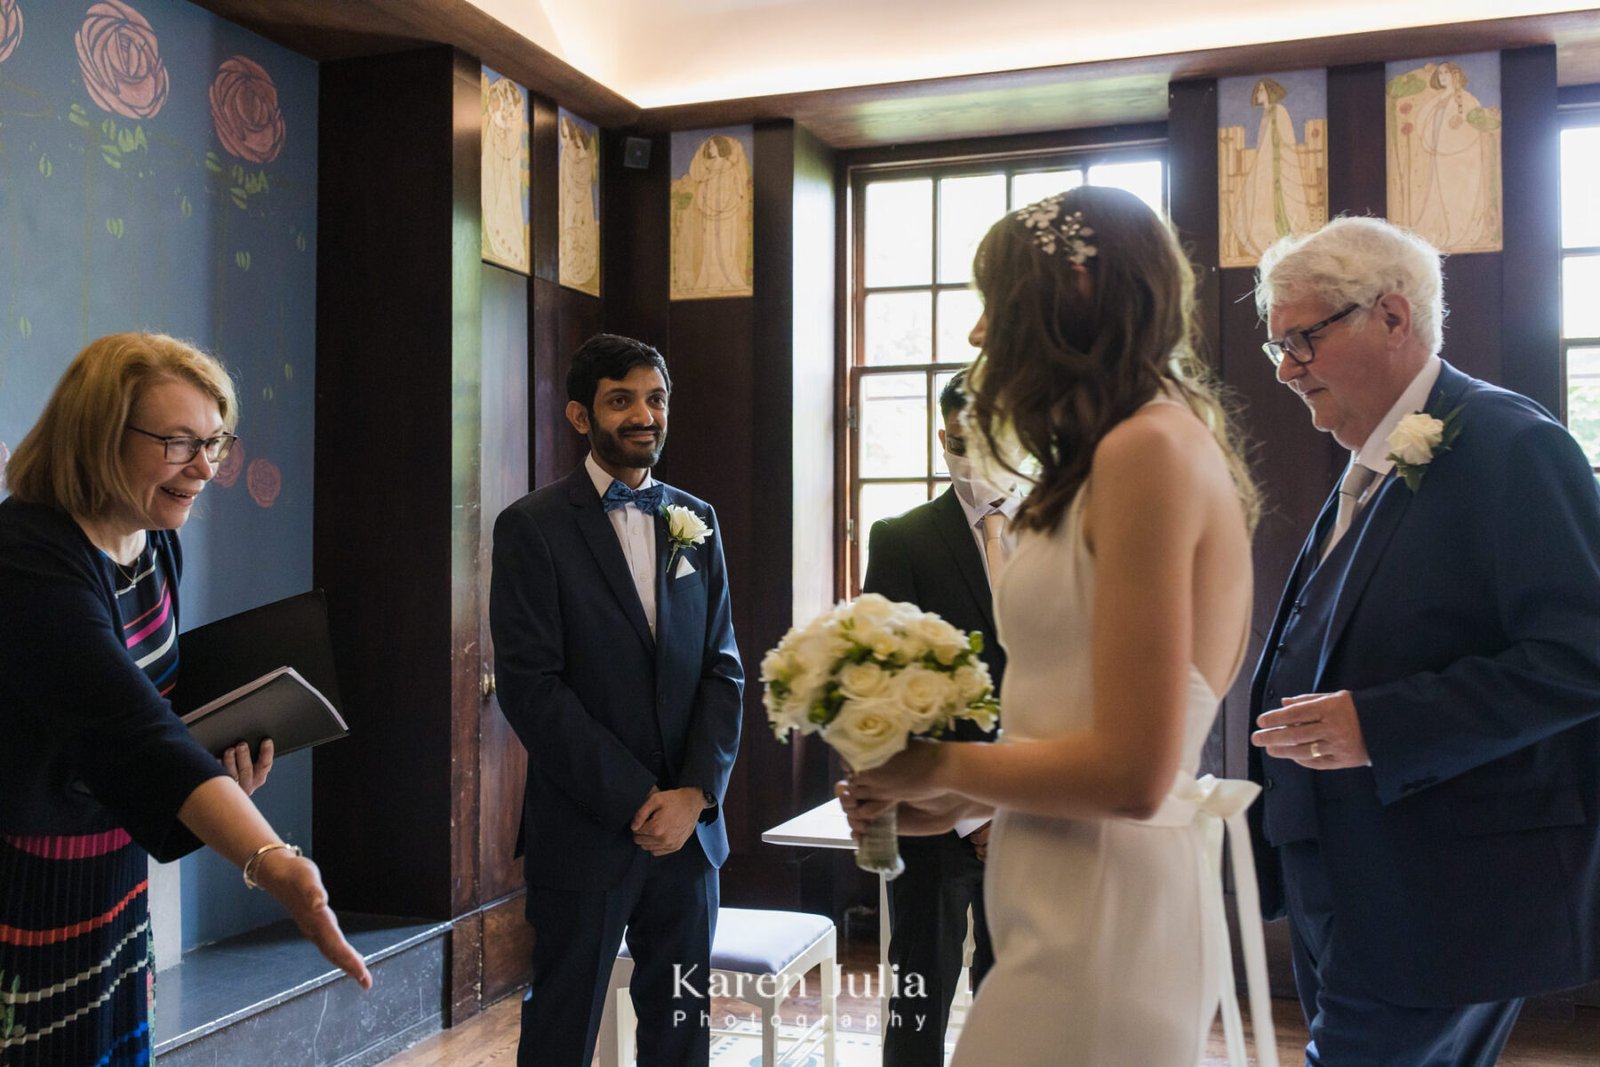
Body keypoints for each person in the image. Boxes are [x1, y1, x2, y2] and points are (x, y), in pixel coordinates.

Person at [843, 185, 1263, 1064]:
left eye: (996, 305)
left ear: (1072, 294)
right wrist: (947, 801)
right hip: (1060, 882)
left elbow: (1133, 771)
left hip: (1106, 900)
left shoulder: (1149, 449)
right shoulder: (1107, 458)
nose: (978, 335)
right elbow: (1066, 722)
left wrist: (936, 761)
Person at [1248, 216, 1600, 1065]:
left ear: (1394, 317)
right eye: (1278, 348)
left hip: (1448, 887)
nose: (1288, 371)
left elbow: (1581, 654)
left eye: (1302, 341)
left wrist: (1383, 723)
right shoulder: (1366, 462)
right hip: (1343, 871)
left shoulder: (1511, 443)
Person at [0, 332, 371, 1065]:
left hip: (112, 870)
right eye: (178, 443)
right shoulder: (27, 552)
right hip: (28, 880)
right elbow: (129, 725)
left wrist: (217, 756)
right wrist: (270, 857)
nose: (204, 468)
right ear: (99, 437)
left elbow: (160, 708)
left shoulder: (152, 537)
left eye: (215, 442)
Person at [489, 333, 743, 1067]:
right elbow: (533, 689)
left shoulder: (697, 521)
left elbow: (724, 667)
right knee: (561, 1032)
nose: (644, 414)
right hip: (586, 831)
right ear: (578, 415)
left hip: (690, 840)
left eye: (656, 398)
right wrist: (639, 797)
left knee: (681, 1033)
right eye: (621, 398)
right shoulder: (531, 527)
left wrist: (695, 792)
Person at [862, 368, 1013, 1066]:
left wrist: (1007, 800)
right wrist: (970, 812)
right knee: (919, 997)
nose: (967, 454)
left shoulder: (1060, 527)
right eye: (955, 441)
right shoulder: (903, 538)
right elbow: (886, 693)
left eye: (981, 438)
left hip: (1041, 805)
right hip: (934, 820)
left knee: (1014, 1000)